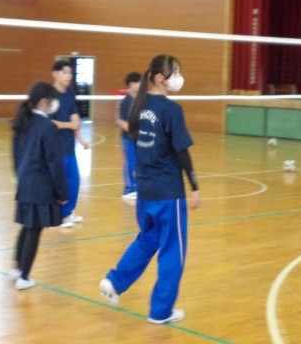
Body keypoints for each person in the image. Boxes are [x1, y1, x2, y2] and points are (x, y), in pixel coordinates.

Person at [99, 54, 202, 324]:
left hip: (145, 189)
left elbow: (136, 142)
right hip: (168, 192)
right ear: (160, 77)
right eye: (175, 72)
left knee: (148, 238)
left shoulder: (139, 106)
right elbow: (182, 151)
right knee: (172, 250)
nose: (179, 77)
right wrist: (194, 185)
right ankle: (160, 311)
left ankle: (114, 281)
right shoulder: (171, 109)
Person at [10, 81, 68, 290]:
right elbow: (55, 163)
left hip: (25, 184)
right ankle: (24, 277)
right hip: (40, 187)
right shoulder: (47, 127)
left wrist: (21, 178)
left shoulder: (23, 122)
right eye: (52, 100)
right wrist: (62, 193)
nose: (54, 104)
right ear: (44, 102)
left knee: (27, 227)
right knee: (34, 230)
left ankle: (17, 268)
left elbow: (16, 157)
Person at [50, 59, 90, 228]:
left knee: (74, 181)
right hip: (54, 147)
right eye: (64, 72)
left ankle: (67, 212)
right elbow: (48, 122)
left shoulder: (70, 94)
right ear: (55, 74)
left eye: (70, 73)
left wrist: (80, 138)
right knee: (59, 183)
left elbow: (76, 120)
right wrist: (68, 124)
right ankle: (57, 216)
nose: (68, 76)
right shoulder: (49, 95)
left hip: (69, 147)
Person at [117, 71, 141, 200]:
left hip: (139, 138)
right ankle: (128, 190)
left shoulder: (141, 100)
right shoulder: (126, 102)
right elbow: (121, 121)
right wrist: (133, 129)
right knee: (130, 163)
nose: (141, 85)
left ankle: (137, 188)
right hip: (128, 138)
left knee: (138, 163)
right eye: (138, 82)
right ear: (131, 84)